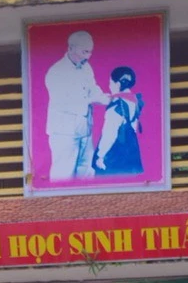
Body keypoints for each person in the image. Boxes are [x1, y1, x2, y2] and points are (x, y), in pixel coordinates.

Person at [44, 30, 109, 182]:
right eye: (85, 52)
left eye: (90, 52)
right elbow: (64, 101)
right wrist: (91, 99)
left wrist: (105, 98)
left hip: (85, 129)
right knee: (64, 173)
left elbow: (93, 87)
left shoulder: (86, 67)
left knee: (85, 171)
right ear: (71, 48)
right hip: (64, 132)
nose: (88, 56)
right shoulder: (56, 71)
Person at [94, 66, 144, 176]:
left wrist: (100, 156)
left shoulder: (116, 107)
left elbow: (109, 134)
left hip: (115, 152)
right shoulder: (134, 100)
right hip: (131, 148)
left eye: (110, 83)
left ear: (117, 84)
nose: (110, 86)